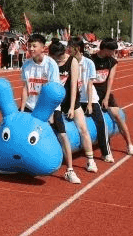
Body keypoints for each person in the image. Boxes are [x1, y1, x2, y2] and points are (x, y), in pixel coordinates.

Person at [19, 34, 80, 183]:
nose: (31, 49)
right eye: (29, 46)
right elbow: (25, 88)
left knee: (62, 135)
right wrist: (21, 110)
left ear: (43, 48)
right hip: (31, 106)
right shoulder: (26, 64)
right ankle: (16, 164)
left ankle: (70, 170)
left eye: (34, 46)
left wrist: (51, 112)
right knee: (21, 133)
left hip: (49, 106)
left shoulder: (51, 64)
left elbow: (54, 89)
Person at [50, 39, 98, 177]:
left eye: (59, 57)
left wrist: (71, 107)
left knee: (83, 128)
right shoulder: (51, 62)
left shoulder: (72, 61)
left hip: (71, 100)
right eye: (55, 58)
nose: (58, 60)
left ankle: (90, 160)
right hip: (55, 101)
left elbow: (73, 86)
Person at [92, 38, 133, 160]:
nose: (114, 53)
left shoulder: (112, 62)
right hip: (91, 94)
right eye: (112, 50)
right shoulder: (91, 59)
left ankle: (129, 144)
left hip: (104, 93)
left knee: (117, 115)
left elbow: (110, 80)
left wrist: (106, 98)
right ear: (105, 49)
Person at [70, 36, 104, 169]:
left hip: (89, 98)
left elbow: (90, 85)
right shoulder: (69, 61)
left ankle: (104, 153)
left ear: (77, 48)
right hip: (75, 100)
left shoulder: (89, 63)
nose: (68, 49)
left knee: (99, 123)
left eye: (70, 47)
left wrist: (90, 104)